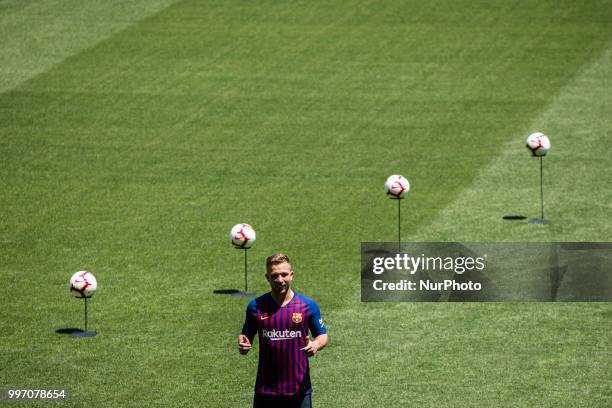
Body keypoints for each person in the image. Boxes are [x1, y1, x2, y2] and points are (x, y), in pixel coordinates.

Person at [238, 253, 328, 408]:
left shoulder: (308, 306)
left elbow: (322, 335)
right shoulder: (255, 307)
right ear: (267, 277)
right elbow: (245, 338)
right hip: (266, 391)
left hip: (299, 390)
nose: (280, 280)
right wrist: (243, 345)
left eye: (284, 275)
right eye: (275, 276)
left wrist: (315, 345)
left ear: (291, 275)